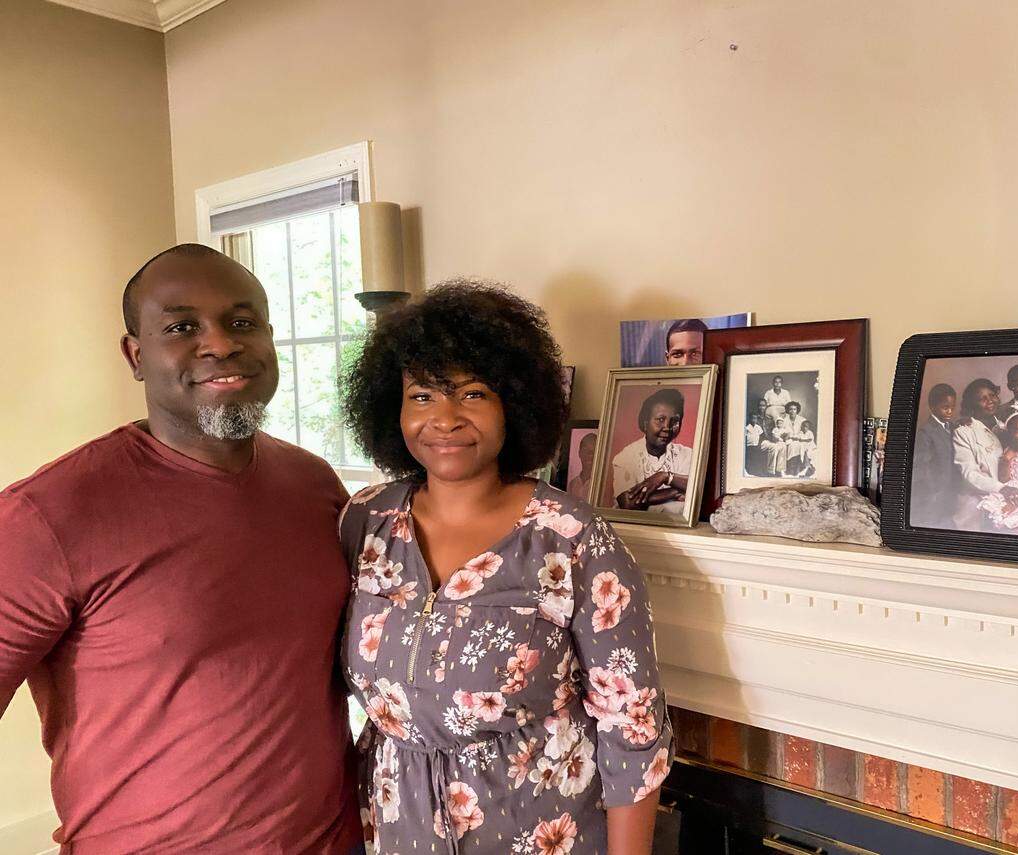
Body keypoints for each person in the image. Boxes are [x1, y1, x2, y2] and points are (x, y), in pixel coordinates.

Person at [0, 244, 362, 853]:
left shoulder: (313, 484)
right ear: (136, 355)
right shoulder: (47, 515)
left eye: (243, 323)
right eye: (181, 327)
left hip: (335, 839)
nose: (220, 343)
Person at [339, 280, 671, 855]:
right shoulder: (363, 520)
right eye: (421, 396)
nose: (444, 418)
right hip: (394, 826)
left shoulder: (571, 538)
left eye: (471, 394)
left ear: (512, 404)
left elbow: (633, 729)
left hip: (538, 829)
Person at [612, 387, 692, 514]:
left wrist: (664, 477)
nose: (667, 428)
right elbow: (628, 503)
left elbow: (697, 488)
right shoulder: (625, 457)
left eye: (674, 421)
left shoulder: (687, 455)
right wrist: (675, 491)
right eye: (660, 419)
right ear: (645, 423)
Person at [952, 377, 1014, 532]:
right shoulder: (964, 431)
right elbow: (969, 474)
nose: (990, 401)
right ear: (972, 405)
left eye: (992, 395)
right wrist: (1001, 489)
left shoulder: (1006, 425)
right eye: (982, 399)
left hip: (1007, 497)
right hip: (976, 504)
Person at [911, 383, 957, 528]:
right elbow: (921, 466)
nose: (950, 411)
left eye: (952, 407)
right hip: (933, 493)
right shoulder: (926, 433)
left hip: (950, 488)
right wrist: (932, 490)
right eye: (945, 408)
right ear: (932, 407)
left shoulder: (951, 426)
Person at [566, 429, 597, 499]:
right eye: (586, 450)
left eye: (594, 450)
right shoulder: (572, 484)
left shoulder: (602, 486)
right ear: (579, 453)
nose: (590, 454)